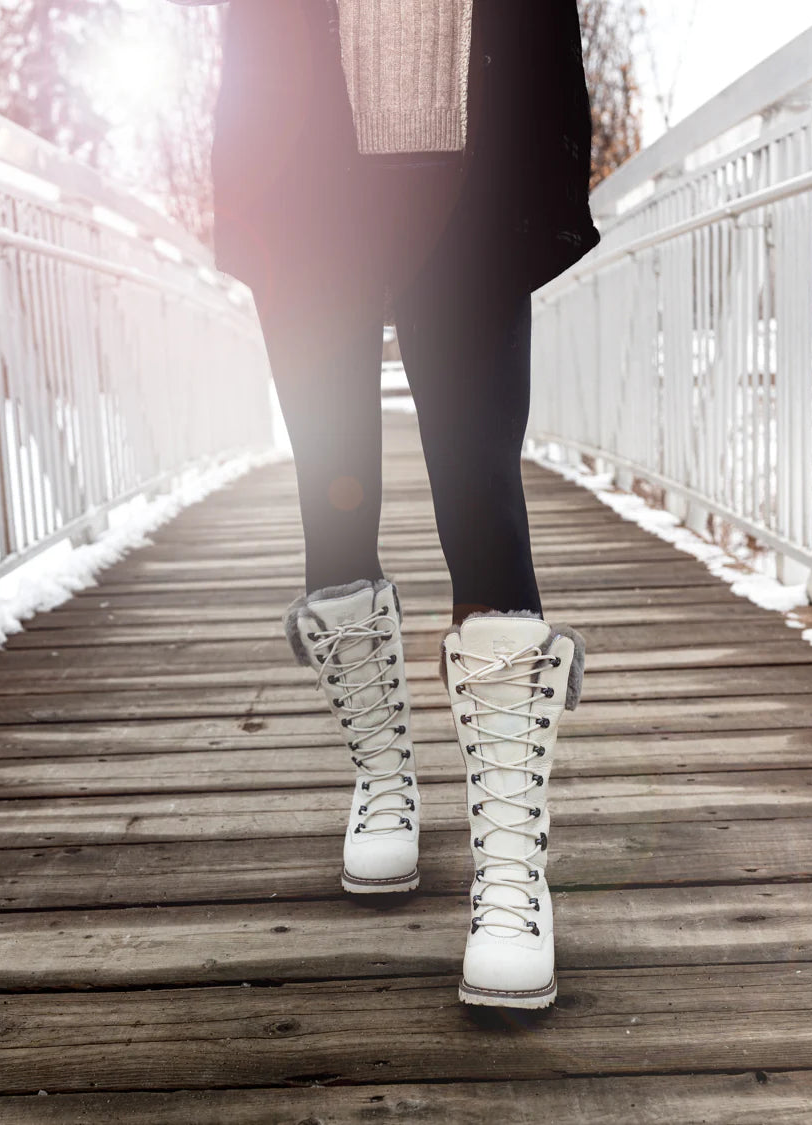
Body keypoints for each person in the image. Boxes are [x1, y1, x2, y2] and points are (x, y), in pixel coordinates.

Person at [186, 0, 600, 1009]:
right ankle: (385, 775)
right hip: (305, 171)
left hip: (471, 155)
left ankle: (510, 862)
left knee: (481, 493)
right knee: (331, 492)